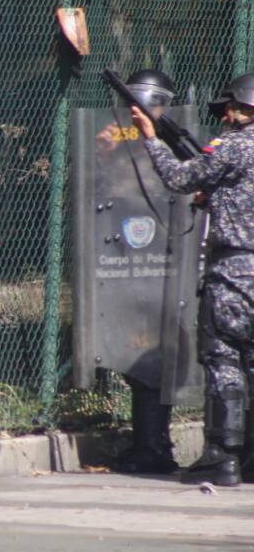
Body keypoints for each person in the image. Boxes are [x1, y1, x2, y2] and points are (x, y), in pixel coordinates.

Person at [130, 73, 254, 486]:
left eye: (231, 110)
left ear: (242, 109)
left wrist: (149, 136)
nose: (227, 119)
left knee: (224, 361)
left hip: (234, 272)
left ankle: (224, 456)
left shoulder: (234, 147)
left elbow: (179, 178)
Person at [107, 69, 182, 475]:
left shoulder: (167, 141)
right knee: (135, 351)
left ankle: (153, 446)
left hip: (160, 259)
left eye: (150, 101)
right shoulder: (118, 137)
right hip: (120, 255)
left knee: (152, 352)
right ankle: (150, 444)